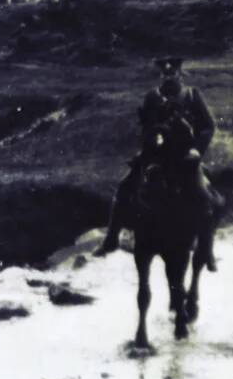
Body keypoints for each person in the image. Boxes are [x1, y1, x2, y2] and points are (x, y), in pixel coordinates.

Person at [94, 57, 220, 271]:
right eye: (165, 74)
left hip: (184, 156)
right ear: (161, 76)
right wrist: (151, 138)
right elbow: (145, 126)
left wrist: (196, 148)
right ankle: (112, 238)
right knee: (124, 189)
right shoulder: (152, 97)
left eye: (173, 74)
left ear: (180, 75)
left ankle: (207, 251)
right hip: (156, 155)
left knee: (206, 199)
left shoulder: (192, 95)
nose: (169, 78)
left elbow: (208, 126)